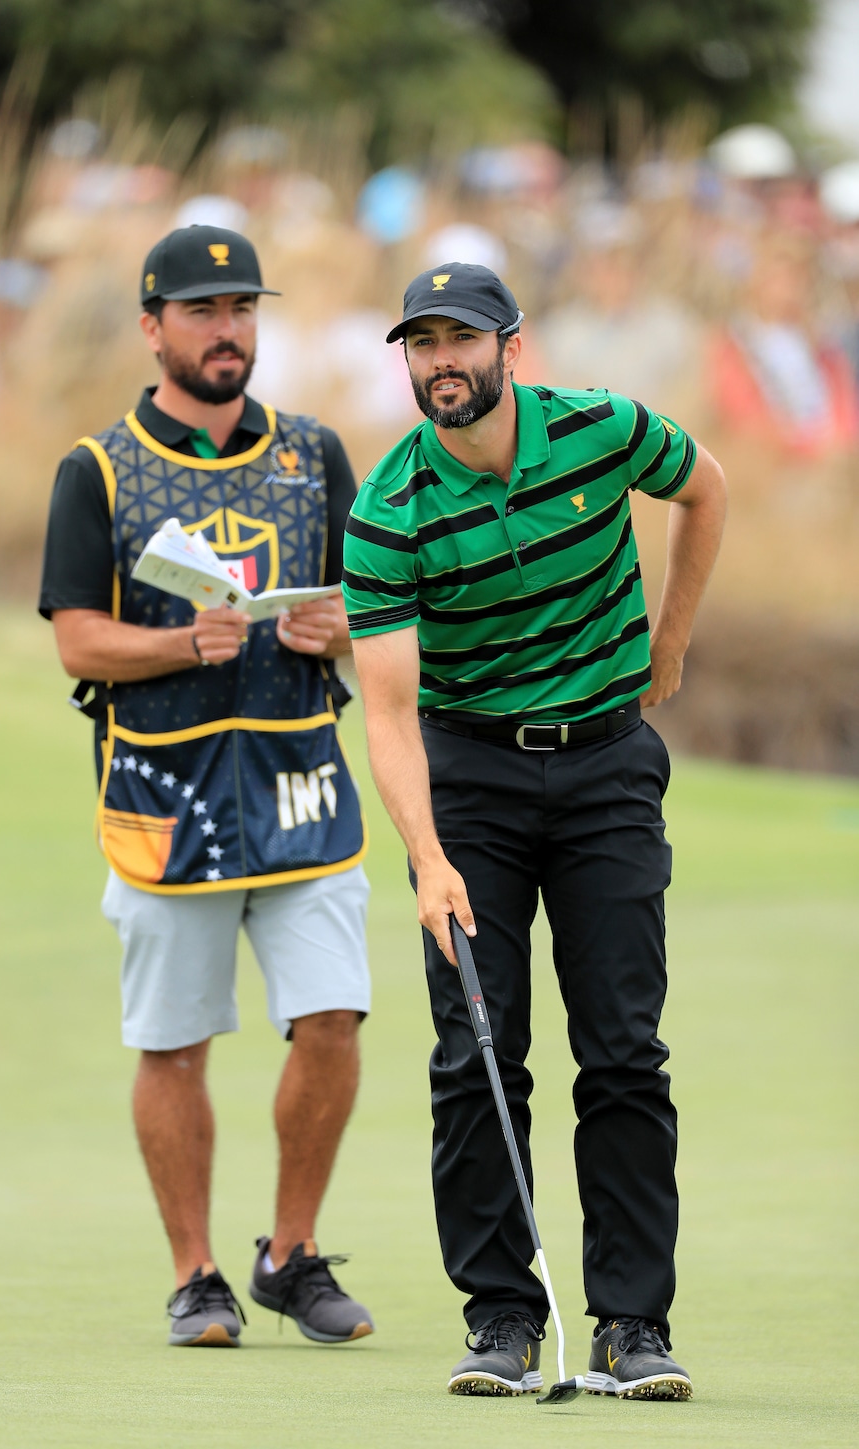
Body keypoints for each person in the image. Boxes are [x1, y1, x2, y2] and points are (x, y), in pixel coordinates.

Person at [343, 262, 727, 1399]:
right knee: (476, 1052)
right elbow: (391, 713)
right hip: (467, 779)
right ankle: (503, 1315)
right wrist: (427, 858)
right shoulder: (390, 510)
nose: (440, 364)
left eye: (461, 341)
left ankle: (632, 1326)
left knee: (621, 1048)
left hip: (607, 762)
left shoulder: (604, 432)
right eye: (420, 346)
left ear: (515, 347)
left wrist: (673, 640)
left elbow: (709, 488)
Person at [39, 225, 374, 1349]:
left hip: (298, 779)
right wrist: (181, 647)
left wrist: (339, 632)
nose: (227, 330)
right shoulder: (95, 468)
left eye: (241, 309)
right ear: (153, 328)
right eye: (202, 311)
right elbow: (79, 642)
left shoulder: (314, 454)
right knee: (175, 1040)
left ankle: (291, 1252)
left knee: (332, 1018)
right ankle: (197, 1276)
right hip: (162, 791)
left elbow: (369, 617)